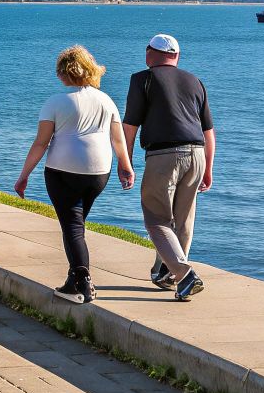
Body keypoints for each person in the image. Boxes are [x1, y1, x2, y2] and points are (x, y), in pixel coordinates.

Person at [14, 46, 134, 305]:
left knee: (72, 227)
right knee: (75, 225)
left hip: (62, 170)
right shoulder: (106, 100)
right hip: (98, 172)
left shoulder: (56, 102)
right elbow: (118, 140)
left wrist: (24, 175)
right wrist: (126, 166)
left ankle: (83, 281)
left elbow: (41, 143)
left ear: (64, 72)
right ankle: (72, 279)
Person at [122, 33, 216, 303]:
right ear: (176, 56)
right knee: (184, 220)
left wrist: (125, 162)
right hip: (197, 153)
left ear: (150, 53)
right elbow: (209, 131)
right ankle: (168, 274)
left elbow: (130, 126)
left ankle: (184, 275)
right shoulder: (195, 81)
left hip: (164, 155)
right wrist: (208, 168)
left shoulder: (142, 79)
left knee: (156, 219)